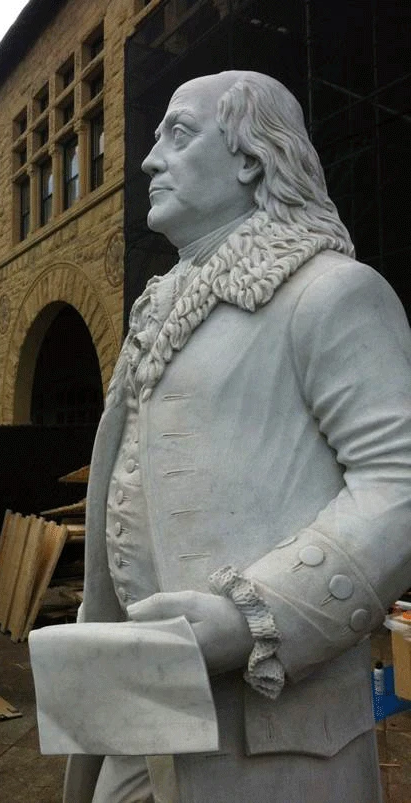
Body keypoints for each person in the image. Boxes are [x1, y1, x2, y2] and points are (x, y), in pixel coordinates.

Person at [62, 71, 411, 802]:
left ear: (251, 159)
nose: (149, 160)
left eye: (178, 135)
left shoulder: (330, 293)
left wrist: (249, 617)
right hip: (137, 708)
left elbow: (399, 481)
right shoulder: (158, 313)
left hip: (267, 739)